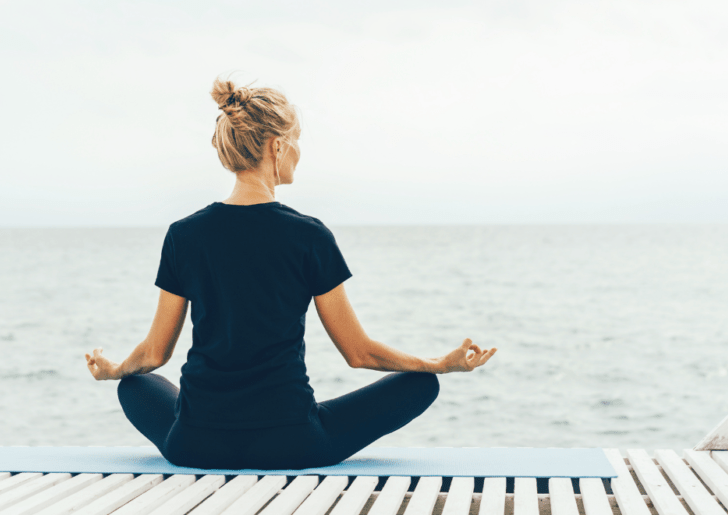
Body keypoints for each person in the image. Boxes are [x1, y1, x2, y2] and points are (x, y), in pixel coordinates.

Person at [85, 77, 497, 470]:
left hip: (195, 442)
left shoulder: (183, 235)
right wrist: (438, 364)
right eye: (297, 141)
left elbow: (155, 354)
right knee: (421, 384)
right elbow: (359, 353)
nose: (300, 150)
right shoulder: (309, 236)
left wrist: (115, 369)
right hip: (294, 443)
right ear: (278, 147)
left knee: (134, 385)